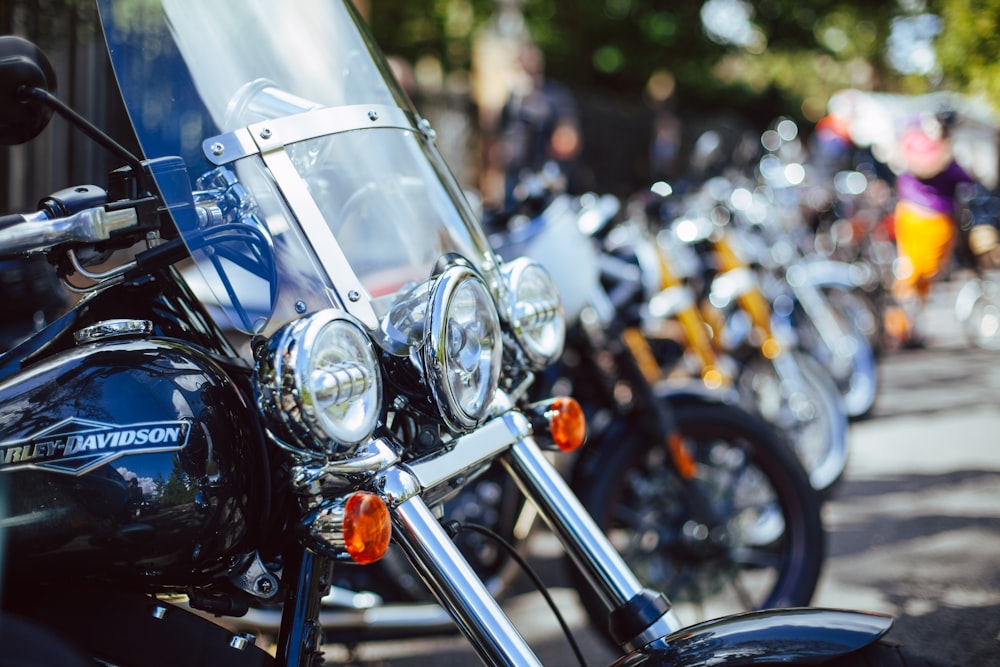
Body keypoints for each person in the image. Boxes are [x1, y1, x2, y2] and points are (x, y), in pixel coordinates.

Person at [886, 109, 975, 348]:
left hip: (932, 220)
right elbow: (925, 167)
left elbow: (966, 178)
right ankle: (900, 327)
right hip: (919, 217)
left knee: (922, 278)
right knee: (912, 274)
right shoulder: (921, 144)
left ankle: (911, 326)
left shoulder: (939, 149)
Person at [497, 42, 581, 207]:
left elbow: (568, 140)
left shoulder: (555, 96)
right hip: (515, 173)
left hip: (545, 174)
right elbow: (500, 133)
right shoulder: (513, 99)